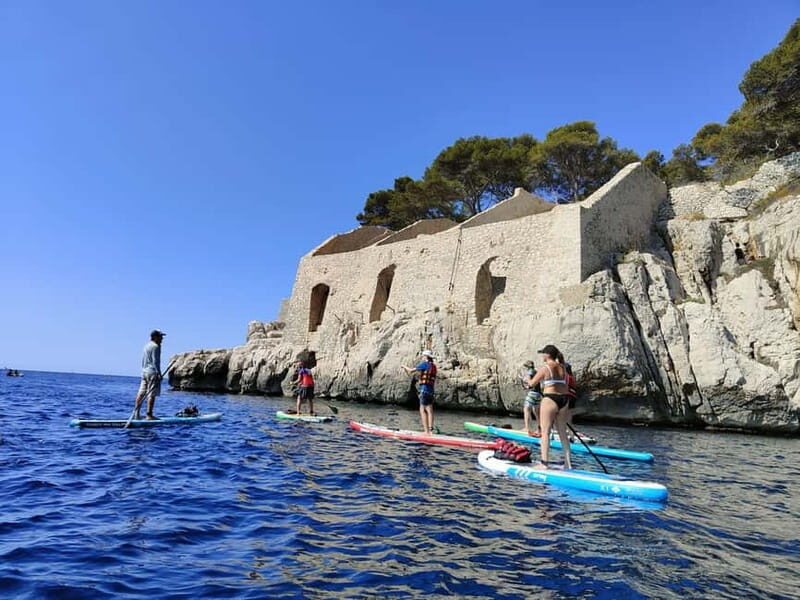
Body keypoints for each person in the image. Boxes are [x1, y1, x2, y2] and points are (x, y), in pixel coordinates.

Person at [527, 344, 572, 470]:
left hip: (550, 399)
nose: (542, 355)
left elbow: (532, 383)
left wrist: (526, 379)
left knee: (545, 432)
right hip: (564, 400)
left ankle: (544, 463)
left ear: (547, 355)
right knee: (563, 433)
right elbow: (566, 385)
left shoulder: (545, 368)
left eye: (543, 353)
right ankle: (568, 464)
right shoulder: (563, 367)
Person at [132, 329, 166, 420]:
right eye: (160, 336)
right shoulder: (156, 346)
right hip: (152, 372)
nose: (162, 339)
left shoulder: (146, 346)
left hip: (144, 372)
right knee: (151, 394)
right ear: (155, 337)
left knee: (141, 392)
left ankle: (136, 414)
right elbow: (156, 361)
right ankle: (149, 415)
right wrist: (159, 373)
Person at [401, 350, 437, 434]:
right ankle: (431, 431)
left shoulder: (424, 364)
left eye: (424, 356)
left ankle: (426, 431)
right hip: (431, 391)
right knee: (430, 410)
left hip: (424, 390)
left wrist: (404, 367)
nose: (423, 357)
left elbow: (410, 371)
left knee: (422, 410)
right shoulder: (434, 366)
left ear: (426, 357)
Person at [520, 360, 542, 437]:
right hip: (539, 394)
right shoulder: (536, 371)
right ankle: (540, 429)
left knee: (526, 409)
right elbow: (534, 384)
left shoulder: (530, 372)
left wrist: (524, 380)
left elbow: (530, 382)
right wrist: (527, 387)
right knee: (536, 412)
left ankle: (527, 428)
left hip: (532, 394)